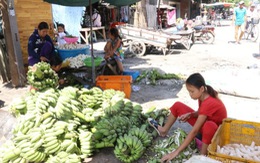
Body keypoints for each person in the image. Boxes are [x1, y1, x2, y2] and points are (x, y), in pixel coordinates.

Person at [148, 73, 227, 162]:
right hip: (205, 125)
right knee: (178, 106)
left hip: (215, 134)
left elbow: (194, 131)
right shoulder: (203, 95)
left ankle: (203, 156)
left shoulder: (208, 102)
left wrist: (175, 152)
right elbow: (202, 112)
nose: (190, 94)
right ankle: (164, 130)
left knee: (209, 126)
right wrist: (191, 114)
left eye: (192, 91)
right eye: (189, 91)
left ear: (201, 89)